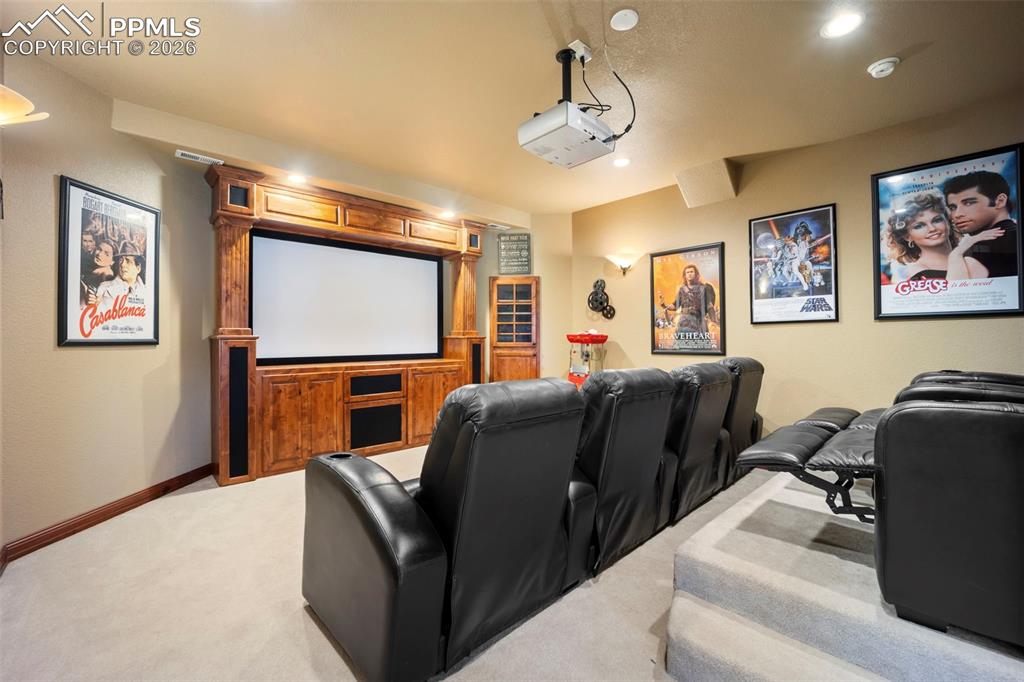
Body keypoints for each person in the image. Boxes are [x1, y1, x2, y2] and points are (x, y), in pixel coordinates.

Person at [884, 193, 1001, 281]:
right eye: (919, 226)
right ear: (907, 237)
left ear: (948, 222)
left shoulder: (975, 255)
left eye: (937, 220)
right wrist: (957, 253)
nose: (932, 228)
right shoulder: (917, 271)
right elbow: (956, 297)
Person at [943, 171, 1019, 278]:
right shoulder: (1015, 233)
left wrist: (956, 253)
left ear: (1000, 201)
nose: (957, 214)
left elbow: (955, 288)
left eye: (968, 203)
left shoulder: (979, 249)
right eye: (952, 207)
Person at [665, 264, 717, 343]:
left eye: (691, 272)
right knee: (681, 345)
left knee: (700, 345)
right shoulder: (682, 290)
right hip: (684, 321)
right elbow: (675, 306)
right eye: (687, 272)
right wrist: (664, 305)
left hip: (698, 320)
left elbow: (709, 306)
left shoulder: (704, 288)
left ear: (696, 274)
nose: (689, 274)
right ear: (685, 275)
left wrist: (713, 321)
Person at [95, 242, 146, 306]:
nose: (122, 265)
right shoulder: (104, 288)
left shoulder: (146, 292)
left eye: (128, 261)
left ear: (138, 268)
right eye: (121, 260)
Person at [80, 239, 116, 306]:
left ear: (112, 262)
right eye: (99, 249)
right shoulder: (94, 270)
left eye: (106, 254)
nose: (99, 254)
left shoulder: (107, 275)